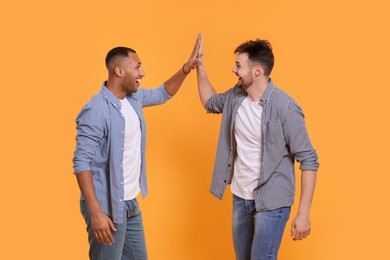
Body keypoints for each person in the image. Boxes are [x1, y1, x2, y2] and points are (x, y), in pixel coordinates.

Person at [73, 34, 201, 260]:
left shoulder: (133, 98)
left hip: (130, 202)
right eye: (137, 67)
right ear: (119, 71)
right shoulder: (96, 110)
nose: (142, 73)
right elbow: (82, 162)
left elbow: (163, 93)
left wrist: (186, 69)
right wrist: (96, 212)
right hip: (107, 206)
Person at [196, 35, 319, 260]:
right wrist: (199, 66)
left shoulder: (285, 107)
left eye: (238, 65)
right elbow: (210, 102)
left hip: (272, 201)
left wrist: (303, 214)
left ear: (257, 71)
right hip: (240, 196)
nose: (233, 70)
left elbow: (309, 160)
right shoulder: (236, 97)